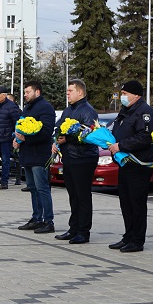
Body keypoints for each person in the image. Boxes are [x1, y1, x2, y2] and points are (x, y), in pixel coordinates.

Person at [107, 81, 153, 253]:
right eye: (122, 93)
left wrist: (121, 146)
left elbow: (145, 137)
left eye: (126, 93)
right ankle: (128, 236)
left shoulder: (145, 112)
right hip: (125, 164)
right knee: (126, 203)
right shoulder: (125, 111)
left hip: (139, 164)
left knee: (136, 203)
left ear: (136, 95)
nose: (123, 96)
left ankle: (137, 240)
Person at [53, 79, 99, 244]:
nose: (67, 93)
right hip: (69, 158)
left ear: (80, 92)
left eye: (70, 91)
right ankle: (73, 228)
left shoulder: (88, 111)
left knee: (82, 195)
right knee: (73, 195)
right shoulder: (68, 110)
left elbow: (88, 135)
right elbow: (59, 127)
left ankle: (83, 231)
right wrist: (56, 140)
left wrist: (68, 139)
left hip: (83, 158)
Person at [14, 81, 56, 233]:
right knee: (32, 188)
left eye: (27, 92)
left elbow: (46, 132)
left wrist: (27, 139)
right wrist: (17, 139)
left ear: (37, 92)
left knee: (42, 188)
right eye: (24, 92)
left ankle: (48, 221)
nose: (25, 95)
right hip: (27, 154)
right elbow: (21, 127)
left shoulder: (45, 107)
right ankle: (37, 218)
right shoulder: (27, 108)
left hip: (40, 155)